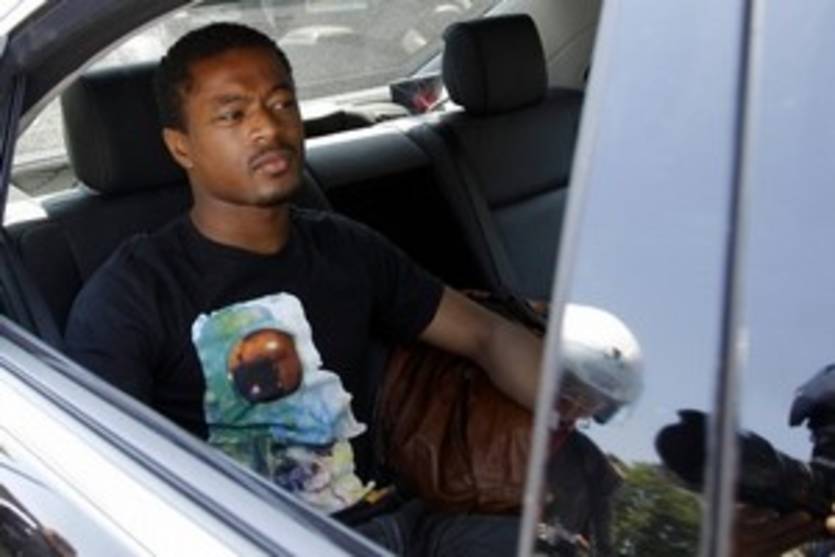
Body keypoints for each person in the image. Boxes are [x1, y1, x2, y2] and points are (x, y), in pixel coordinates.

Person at [64, 22, 541, 556]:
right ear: (181, 147)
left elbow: (486, 336)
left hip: (406, 526)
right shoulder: (132, 296)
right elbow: (105, 482)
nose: (268, 128)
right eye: (233, 115)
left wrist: (580, 414)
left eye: (281, 104)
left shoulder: (344, 248)